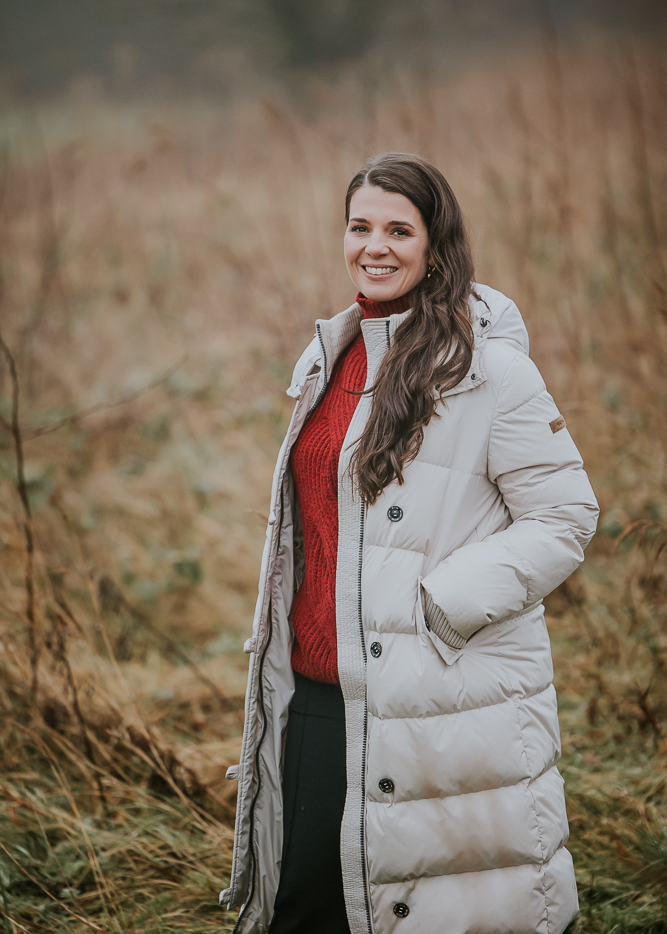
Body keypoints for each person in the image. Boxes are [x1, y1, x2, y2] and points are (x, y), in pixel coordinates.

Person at [220, 152, 599, 934]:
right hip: (317, 688)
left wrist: (440, 607)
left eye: (399, 229)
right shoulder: (331, 355)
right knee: (307, 905)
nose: (375, 247)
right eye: (359, 227)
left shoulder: (487, 370)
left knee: (430, 906)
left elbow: (565, 515)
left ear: (436, 244)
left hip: (430, 693)